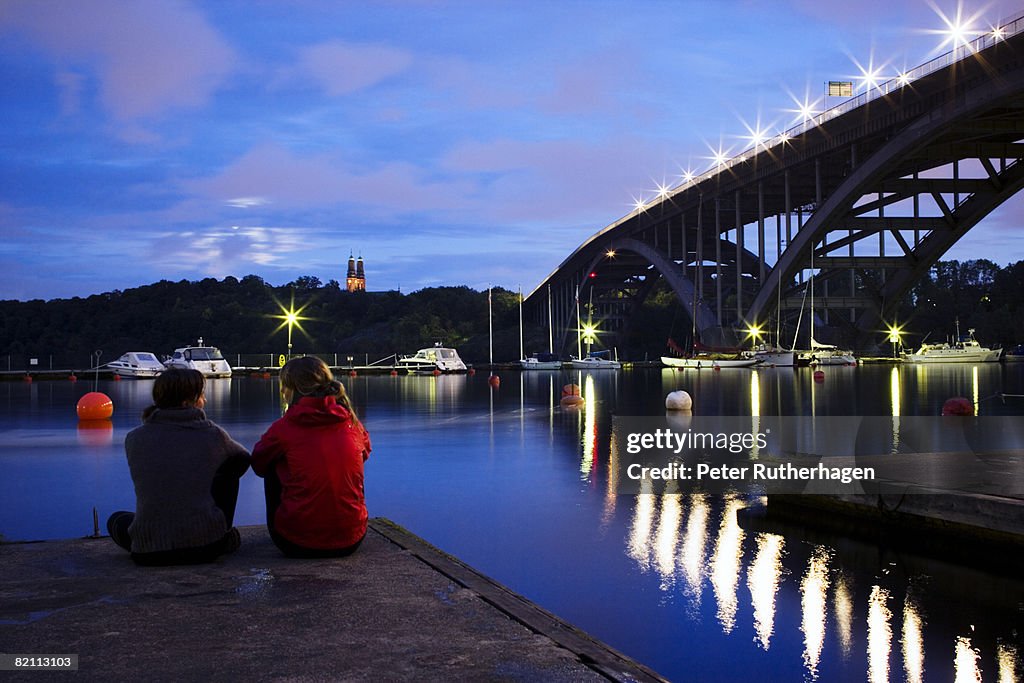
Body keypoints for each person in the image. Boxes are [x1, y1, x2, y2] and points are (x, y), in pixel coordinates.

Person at [107, 368, 250, 566]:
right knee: (230, 469)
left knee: (116, 520)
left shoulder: (134, 438)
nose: (205, 401)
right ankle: (223, 532)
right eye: (201, 395)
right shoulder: (212, 435)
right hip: (206, 547)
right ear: (188, 401)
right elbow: (243, 459)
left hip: (148, 552)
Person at [251, 356, 371, 558]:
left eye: (284, 386)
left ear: (294, 389)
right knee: (346, 461)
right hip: (353, 539)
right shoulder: (351, 422)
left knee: (273, 463)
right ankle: (344, 518)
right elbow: (366, 453)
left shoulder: (284, 428)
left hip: (296, 542)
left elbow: (258, 464)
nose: (281, 392)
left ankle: (296, 521)